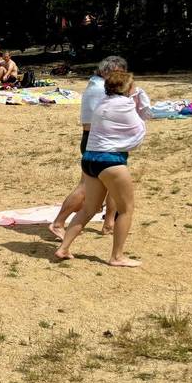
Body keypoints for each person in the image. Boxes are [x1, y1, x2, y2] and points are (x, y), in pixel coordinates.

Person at [55, 69, 150, 267]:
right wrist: (140, 106)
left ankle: (64, 247)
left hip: (90, 160)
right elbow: (138, 131)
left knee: (88, 208)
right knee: (126, 209)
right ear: (127, 88)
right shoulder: (124, 105)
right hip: (111, 162)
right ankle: (117, 256)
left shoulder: (102, 103)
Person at [50, 56, 127, 239]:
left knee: (114, 184)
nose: (121, 78)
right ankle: (59, 222)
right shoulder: (100, 89)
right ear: (109, 71)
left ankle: (109, 223)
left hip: (104, 140)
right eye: (119, 73)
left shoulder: (97, 85)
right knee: (86, 187)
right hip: (98, 141)